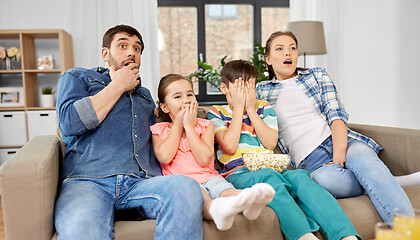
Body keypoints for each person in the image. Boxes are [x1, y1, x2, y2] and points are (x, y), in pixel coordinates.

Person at [55, 24, 203, 240]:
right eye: (123, 45)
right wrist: (118, 86)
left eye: (137, 48)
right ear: (105, 53)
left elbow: (163, 132)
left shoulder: (144, 95)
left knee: (185, 187)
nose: (132, 52)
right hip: (88, 181)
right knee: (81, 226)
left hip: (141, 183)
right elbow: (69, 123)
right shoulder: (78, 77)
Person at [257, 30, 417, 223]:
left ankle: (407, 233)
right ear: (268, 58)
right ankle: (391, 180)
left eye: (292, 48)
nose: (287, 53)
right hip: (311, 163)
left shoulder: (316, 75)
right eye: (279, 49)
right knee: (327, 181)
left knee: (365, 162)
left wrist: (338, 157)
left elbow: (336, 116)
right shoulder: (261, 91)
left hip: (342, 142)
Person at [208, 60, 360, 240]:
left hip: (271, 168)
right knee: (269, 178)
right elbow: (230, 146)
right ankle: (304, 236)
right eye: (242, 87)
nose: (247, 93)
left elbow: (271, 143)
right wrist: (239, 108)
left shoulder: (263, 108)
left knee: (301, 177)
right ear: (225, 88)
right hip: (239, 173)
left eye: (251, 87)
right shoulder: (216, 112)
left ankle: (346, 235)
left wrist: (250, 110)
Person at [150, 73, 275, 231]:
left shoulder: (205, 125)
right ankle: (219, 211)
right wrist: (180, 125)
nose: (186, 100)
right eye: (177, 97)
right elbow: (165, 157)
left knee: (227, 191)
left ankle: (251, 200)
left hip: (210, 177)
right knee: (202, 198)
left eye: (189, 94)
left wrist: (190, 127)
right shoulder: (159, 130)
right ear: (164, 107)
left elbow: (204, 159)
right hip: (185, 183)